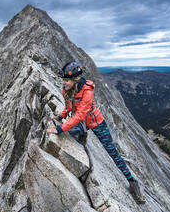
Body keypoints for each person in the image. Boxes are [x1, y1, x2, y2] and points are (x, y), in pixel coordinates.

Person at [47, 61, 145, 204]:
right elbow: (69, 107)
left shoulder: (87, 92)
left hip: (96, 123)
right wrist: (60, 117)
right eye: (64, 80)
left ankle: (132, 182)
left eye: (67, 80)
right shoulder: (66, 90)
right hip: (82, 124)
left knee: (113, 152)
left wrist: (59, 128)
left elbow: (80, 114)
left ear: (75, 80)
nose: (64, 83)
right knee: (69, 136)